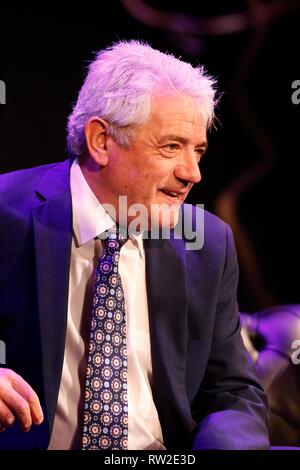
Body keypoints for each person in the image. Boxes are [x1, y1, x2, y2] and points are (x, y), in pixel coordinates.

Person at [0, 39, 269, 450]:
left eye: (198, 151)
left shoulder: (208, 243)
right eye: (172, 147)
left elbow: (233, 392)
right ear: (101, 141)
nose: (192, 173)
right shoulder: (7, 213)